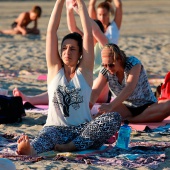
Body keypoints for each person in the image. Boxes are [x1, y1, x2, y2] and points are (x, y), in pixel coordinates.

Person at [17, 0, 121, 155]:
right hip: (55, 129)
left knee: (113, 118)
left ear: (81, 53)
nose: (67, 52)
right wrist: (60, 1)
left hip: (82, 130)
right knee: (44, 137)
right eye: (64, 48)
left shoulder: (84, 71)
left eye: (72, 49)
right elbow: (52, 31)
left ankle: (72, 146)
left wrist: (81, 4)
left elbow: (87, 31)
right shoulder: (54, 70)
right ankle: (30, 149)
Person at [90, 43, 170, 123]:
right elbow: (96, 91)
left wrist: (111, 105)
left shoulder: (133, 63)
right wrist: (88, 107)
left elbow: (129, 88)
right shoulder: (106, 71)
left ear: (120, 59)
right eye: (104, 65)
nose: (108, 68)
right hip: (126, 107)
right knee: (99, 118)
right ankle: (135, 119)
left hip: (147, 105)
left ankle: (133, 120)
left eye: (111, 65)